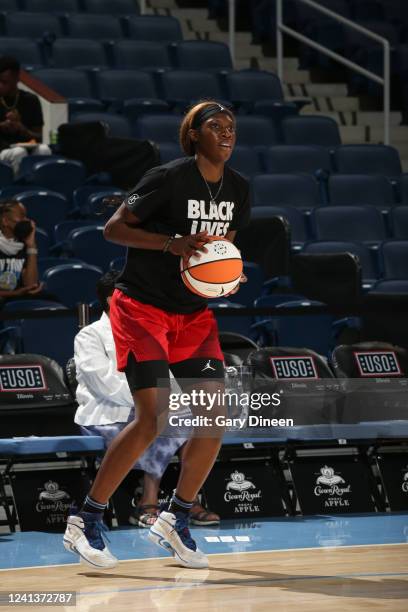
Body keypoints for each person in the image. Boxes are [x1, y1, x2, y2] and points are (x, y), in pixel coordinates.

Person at [63, 100, 250, 570]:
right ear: (194, 135)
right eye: (216, 127)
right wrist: (172, 244)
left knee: (213, 419)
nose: (226, 134)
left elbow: (221, 247)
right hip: (142, 309)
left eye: (231, 127)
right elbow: (113, 228)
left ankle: (176, 518)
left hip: (193, 315)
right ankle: (85, 519)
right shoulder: (168, 177)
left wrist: (226, 275)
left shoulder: (239, 188)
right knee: (151, 417)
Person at [74, 270, 220, 528]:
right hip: (105, 414)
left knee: (196, 421)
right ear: (112, 299)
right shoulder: (90, 335)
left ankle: (186, 501)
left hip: (155, 408)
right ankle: (148, 501)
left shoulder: (153, 331)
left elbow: (173, 379)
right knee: (152, 419)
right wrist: (150, 398)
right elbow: (104, 384)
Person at [0, 56, 51, 174]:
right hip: (2, 149)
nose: (0, 86)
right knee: (19, 152)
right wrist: (3, 126)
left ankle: (40, 188)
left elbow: (39, 136)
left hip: (25, 146)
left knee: (44, 149)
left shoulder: (30, 100)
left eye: (4, 82)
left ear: (16, 79)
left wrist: (22, 129)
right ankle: (19, 189)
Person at [0, 199, 43, 304]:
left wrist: (31, 245)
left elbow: (30, 284)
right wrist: (15, 293)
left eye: (26, 216)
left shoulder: (23, 245)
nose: (26, 221)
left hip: (19, 297)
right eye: (21, 216)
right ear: (5, 221)